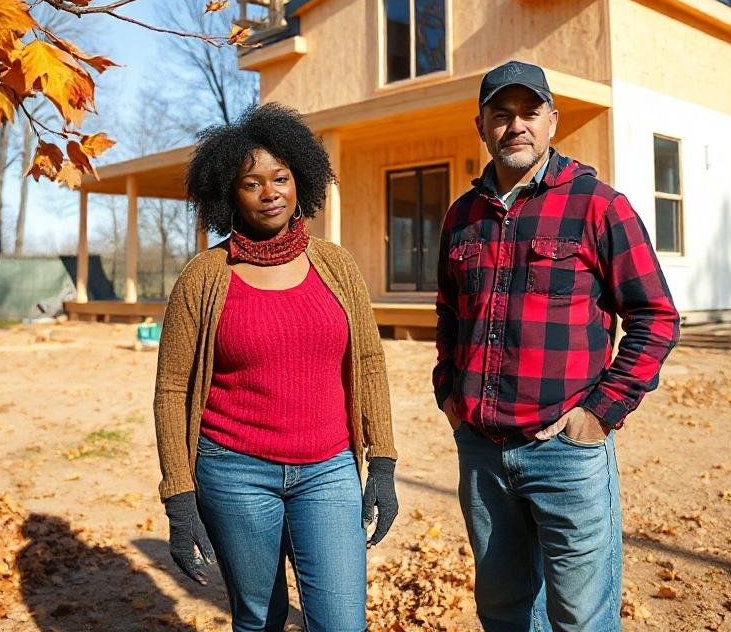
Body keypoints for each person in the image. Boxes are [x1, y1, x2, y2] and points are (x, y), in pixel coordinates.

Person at [434, 61, 681, 632]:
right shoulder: (463, 216)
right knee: (503, 610)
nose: (515, 125)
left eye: (529, 112)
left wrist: (600, 412)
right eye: (501, 114)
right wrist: (448, 390)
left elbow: (656, 317)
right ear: (481, 126)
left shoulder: (598, 206)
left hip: (564, 451)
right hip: (482, 452)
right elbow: (449, 313)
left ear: (552, 122)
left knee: (580, 617)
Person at [154, 102, 398, 632]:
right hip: (233, 470)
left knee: (340, 622)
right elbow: (172, 390)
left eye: (281, 177)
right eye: (252, 183)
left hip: (328, 469)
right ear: (229, 194)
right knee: (260, 619)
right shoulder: (203, 277)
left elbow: (370, 365)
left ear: (300, 181)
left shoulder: (337, 265)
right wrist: (179, 498)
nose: (270, 192)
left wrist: (381, 463)